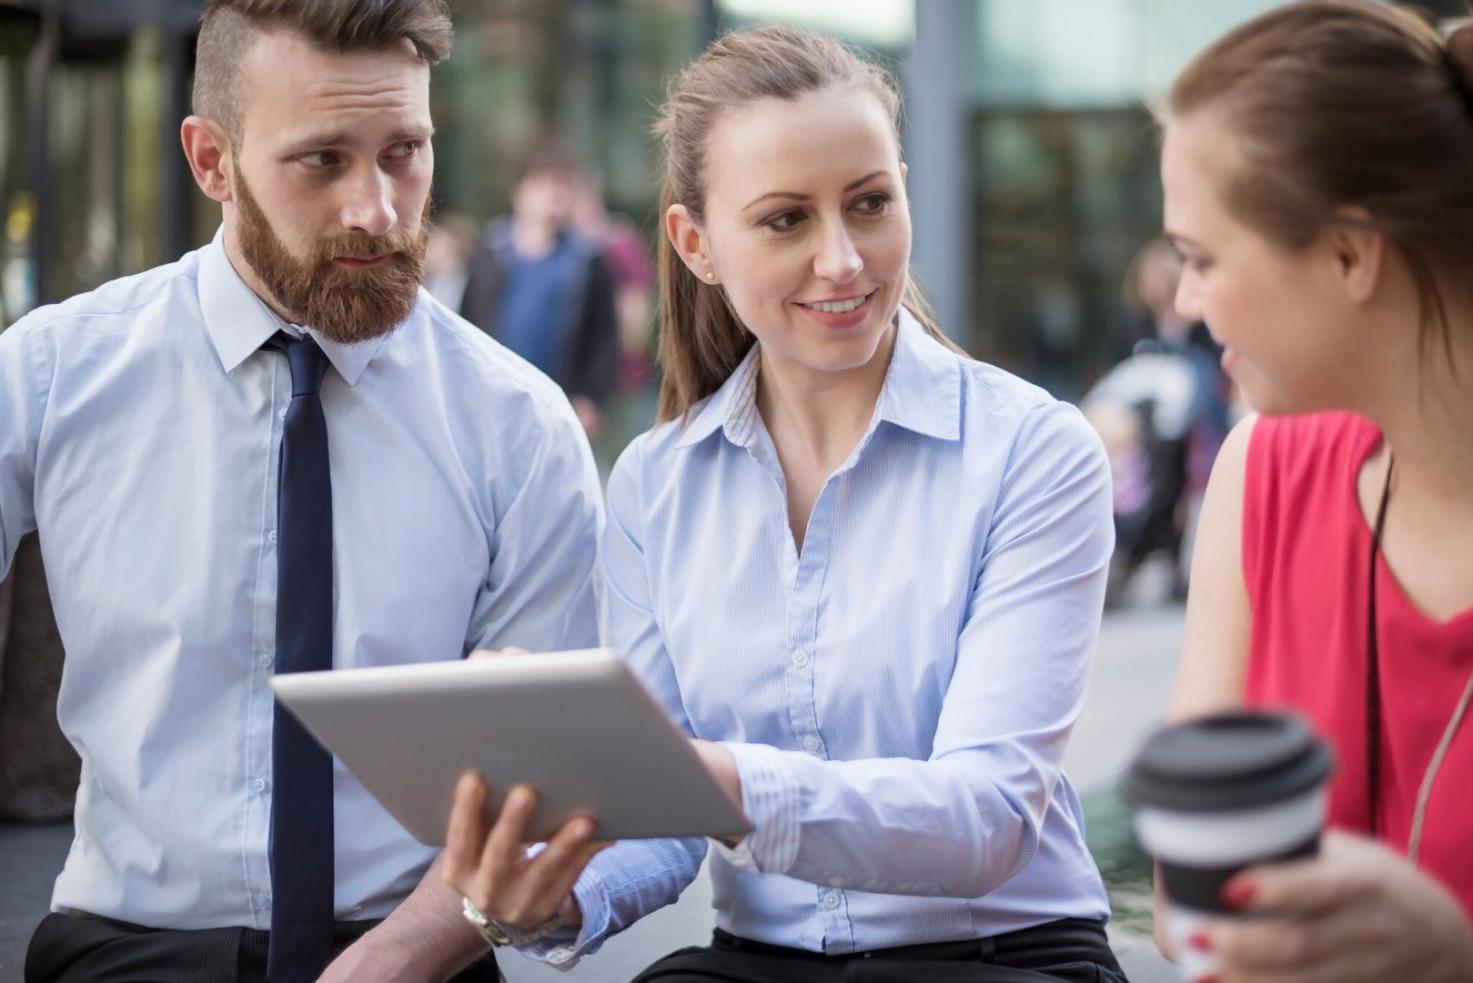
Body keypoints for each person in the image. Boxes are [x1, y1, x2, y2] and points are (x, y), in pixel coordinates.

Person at [441, 26, 1127, 983]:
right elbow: (662, 831)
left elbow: (986, 819)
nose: (843, 259)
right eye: (784, 220)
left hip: (995, 956)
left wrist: (715, 779)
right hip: (759, 960)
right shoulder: (652, 483)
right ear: (695, 244)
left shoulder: (1032, 453)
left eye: (869, 204)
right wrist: (556, 893)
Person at [0, 2, 604, 981]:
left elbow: (533, 790)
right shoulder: (52, 377)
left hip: (416, 951)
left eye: (404, 152)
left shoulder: (519, 429)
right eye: (322, 160)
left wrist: (388, 964)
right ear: (211, 162)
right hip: (126, 947)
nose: (376, 208)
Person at [1160, 2, 1473, 980]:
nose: (1184, 299)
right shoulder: (1261, 474)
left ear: (1349, 254)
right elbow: (1185, 900)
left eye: (1202, 256)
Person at [459, 144, 620, 441]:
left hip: (560, 406)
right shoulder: (490, 253)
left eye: (561, 187)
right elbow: (466, 325)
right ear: (520, 192)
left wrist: (591, 398)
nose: (552, 196)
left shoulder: (588, 261)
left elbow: (604, 338)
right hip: (494, 405)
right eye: (543, 184)